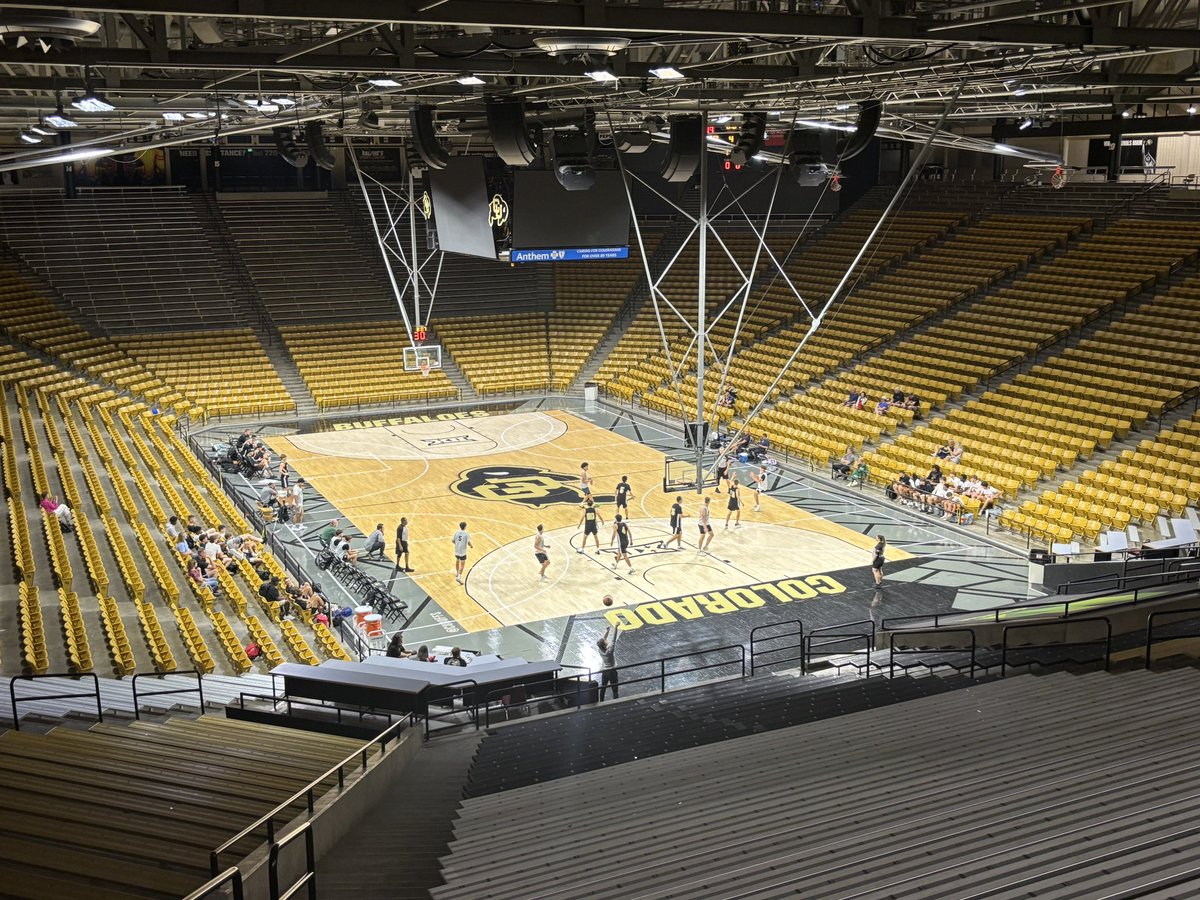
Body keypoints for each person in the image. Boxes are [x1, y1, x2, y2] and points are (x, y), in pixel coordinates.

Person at [597, 625, 619, 701]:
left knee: (603, 687)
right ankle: (616, 701)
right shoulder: (610, 650)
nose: (606, 640)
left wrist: (607, 631)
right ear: (604, 644)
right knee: (614, 688)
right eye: (605, 641)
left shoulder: (600, 650)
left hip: (604, 671)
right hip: (612, 671)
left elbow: (603, 639)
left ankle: (601, 701)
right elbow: (614, 639)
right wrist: (616, 627)